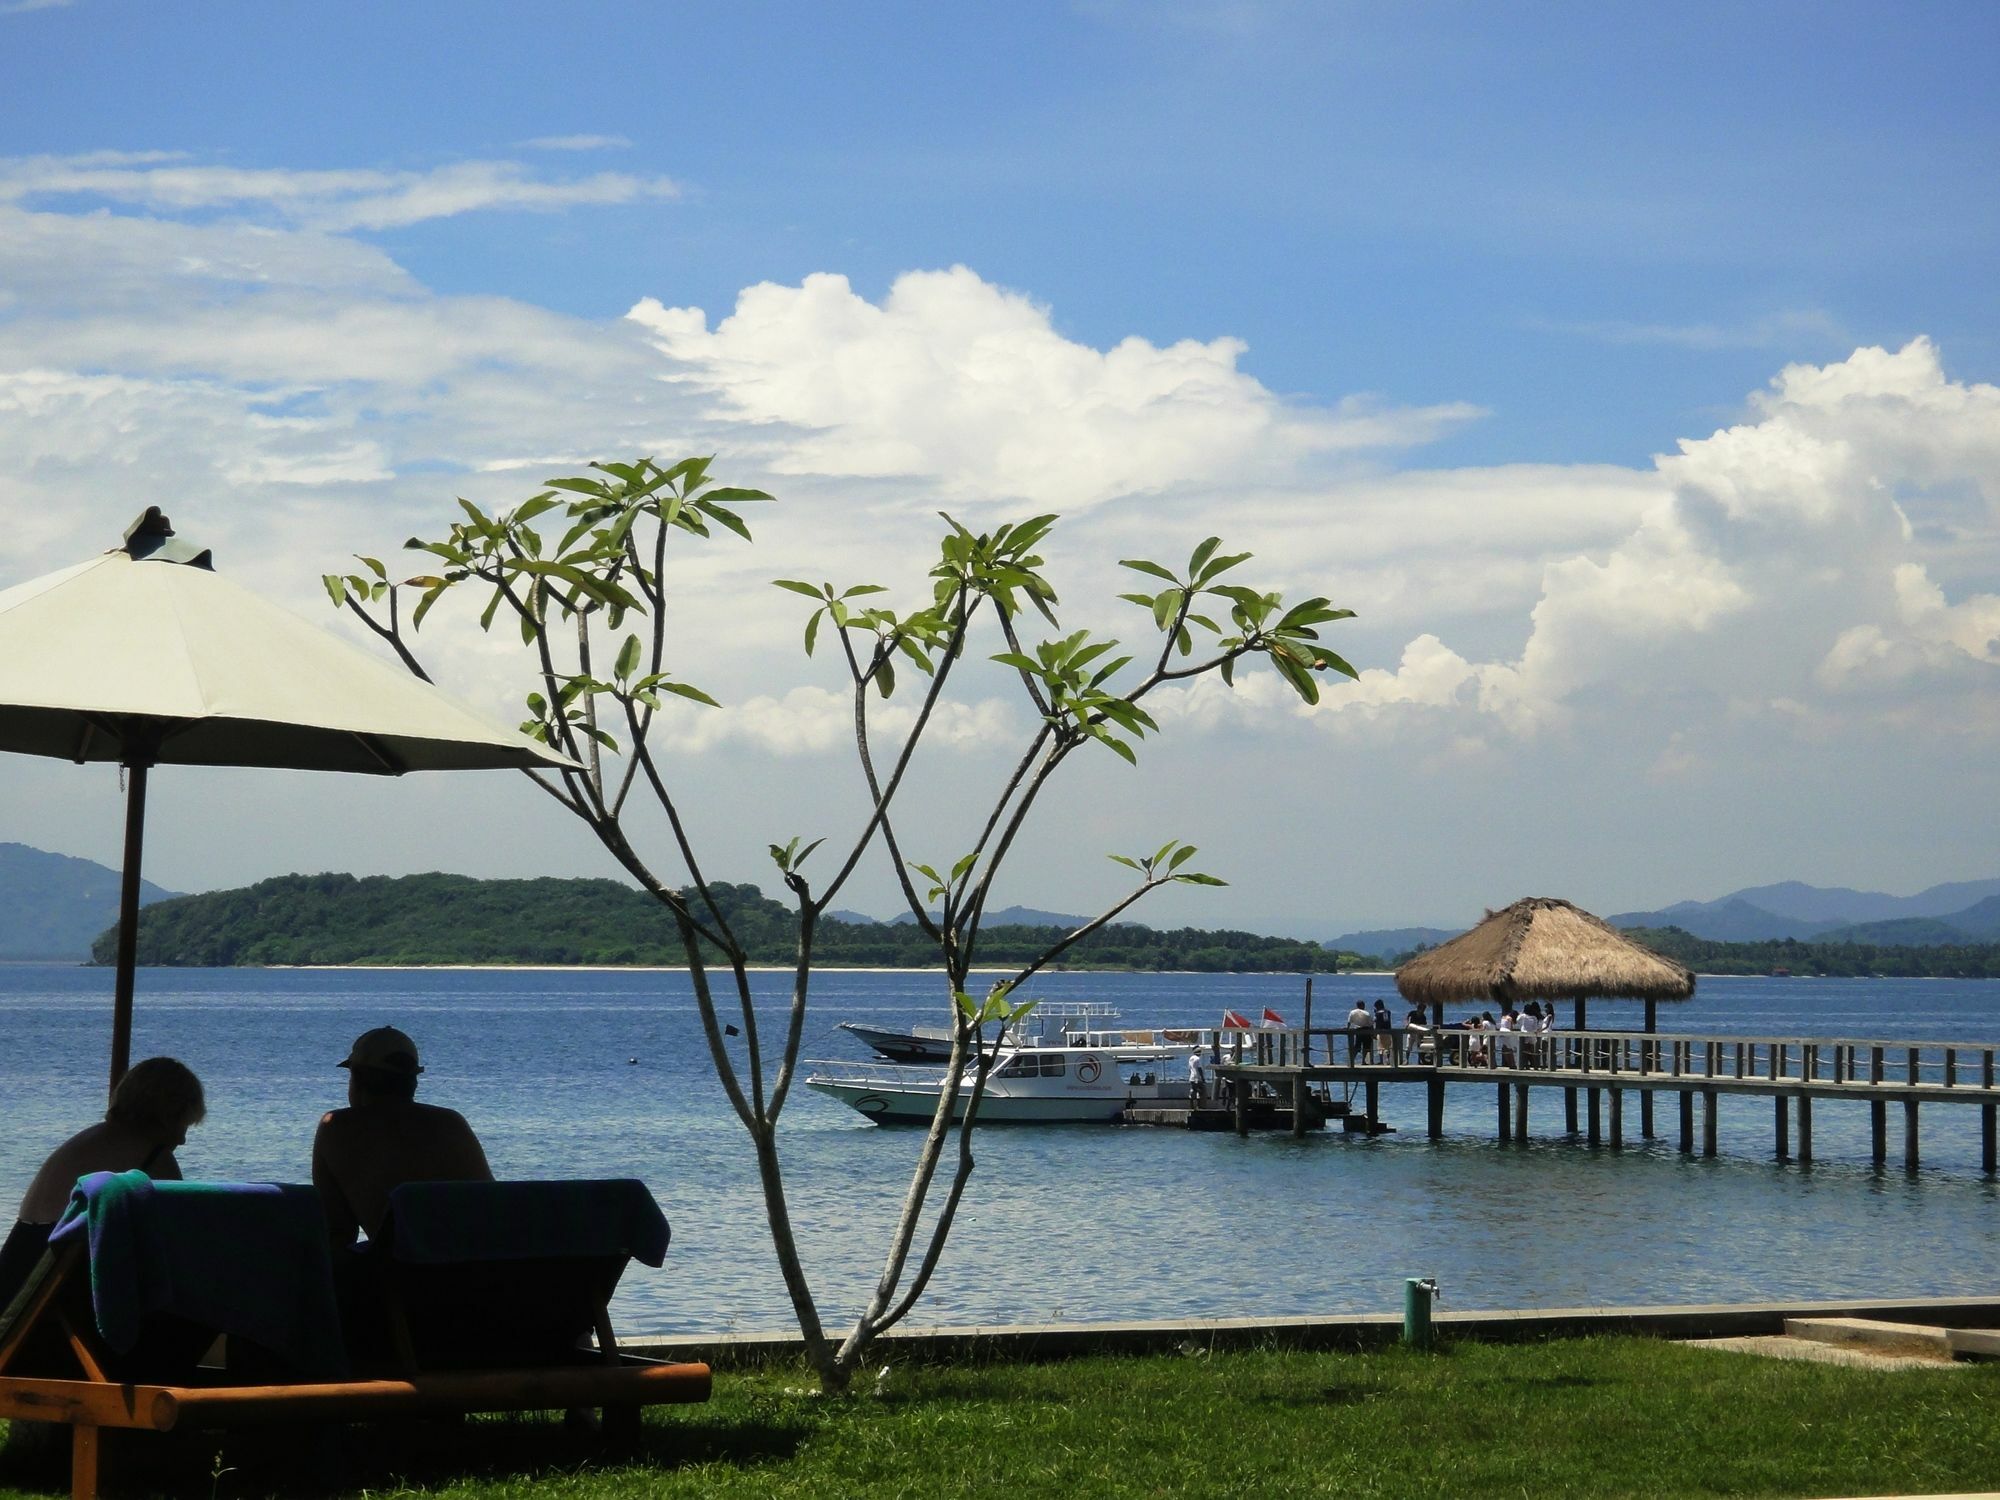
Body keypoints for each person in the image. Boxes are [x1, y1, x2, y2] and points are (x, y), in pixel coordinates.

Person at [0, 1057, 205, 1311]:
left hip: (17, 1288)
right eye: (182, 1124)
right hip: (58, 1301)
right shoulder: (153, 1158)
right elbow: (176, 1244)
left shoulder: (86, 1141)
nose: (182, 1139)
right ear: (167, 1116)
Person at [311, 1026, 492, 1247]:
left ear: (357, 1079)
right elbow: (489, 1208)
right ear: (413, 1082)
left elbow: (336, 1233)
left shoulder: (337, 1128)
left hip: (397, 1274)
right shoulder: (451, 1123)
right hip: (475, 1268)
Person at [1345, 999, 1373, 1065]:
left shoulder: (1352, 1012)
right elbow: (1371, 1024)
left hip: (1357, 1030)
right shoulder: (1366, 1013)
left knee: (1357, 1046)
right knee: (1366, 1047)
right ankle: (1363, 1061)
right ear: (1363, 1005)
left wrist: (1347, 1028)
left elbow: (1349, 1022)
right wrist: (1373, 1033)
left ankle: (1351, 1060)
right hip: (1366, 1030)